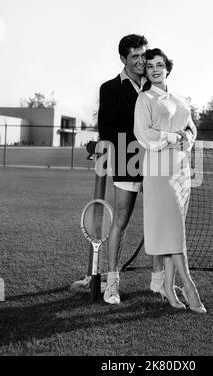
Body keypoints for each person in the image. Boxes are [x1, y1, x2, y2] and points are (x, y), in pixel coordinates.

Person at [71, 35, 165, 304]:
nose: (140, 61)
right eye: (134, 56)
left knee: (157, 221)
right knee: (120, 221)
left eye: (143, 55)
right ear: (123, 59)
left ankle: (158, 282)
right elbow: (107, 128)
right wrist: (138, 141)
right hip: (127, 158)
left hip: (155, 161)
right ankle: (111, 284)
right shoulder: (110, 88)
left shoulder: (155, 84)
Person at [134, 48, 206, 313]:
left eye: (159, 64)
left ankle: (168, 286)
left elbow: (190, 126)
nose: (154, 69)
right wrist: (175, 138)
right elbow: (144, 134)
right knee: (174, 229)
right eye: (150, 65)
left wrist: (188, 137)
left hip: (181, 169)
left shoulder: (179, 98)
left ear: (167, 68)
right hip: (159, 170)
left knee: (173, 229)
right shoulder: (145, 99)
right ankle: (188, 286)